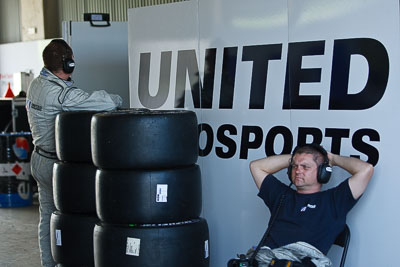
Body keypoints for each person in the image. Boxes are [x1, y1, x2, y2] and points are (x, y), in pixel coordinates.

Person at [26, 39, 123, 267]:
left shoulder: (36, 85)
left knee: (46, 218)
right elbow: (100, 102)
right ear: (69, 64)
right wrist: (118, 100)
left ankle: (49, 263)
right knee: (75, 219)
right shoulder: (59, 94)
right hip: (54, 166)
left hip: (38, 159)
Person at [248, 143, 373, 266]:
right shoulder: (281, 195)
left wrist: (332, 159)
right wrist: (293, 158)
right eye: (295, 166)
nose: (298, 171)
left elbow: (366, 170)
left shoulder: (335, 200)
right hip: (267, 261)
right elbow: (256, 166)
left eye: (305, 167)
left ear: (323, 172)